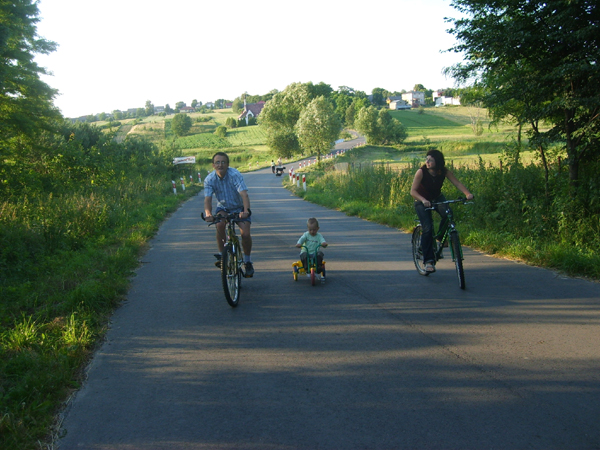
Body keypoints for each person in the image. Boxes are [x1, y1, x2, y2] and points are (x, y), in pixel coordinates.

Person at [410, 149, 473, 273]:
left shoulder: (443, 171)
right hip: (421, 201)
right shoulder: (421, 172)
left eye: (430, 160)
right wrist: (423, 200)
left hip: (437, 198)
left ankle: (439, 238)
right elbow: (413, 191)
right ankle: (428, 262)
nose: (427, 162)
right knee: (427, 228)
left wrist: (467, 193)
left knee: (448, 214)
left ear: (437, 161)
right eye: (426, 159)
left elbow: (457, 183)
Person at [204, 151, 254, 277]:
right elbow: (208, 199)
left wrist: (246, 211)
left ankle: (247, 262)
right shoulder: (209, 179)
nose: (220, 165)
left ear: (227, 164)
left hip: (239, 208)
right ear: (213, 165)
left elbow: (244, 194)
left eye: (223, 162)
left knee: (246, 234)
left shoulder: (234, 174)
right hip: (223, 208)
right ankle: (222, 256)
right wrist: (208, 213)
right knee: (220, 225)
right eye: (217, 162)